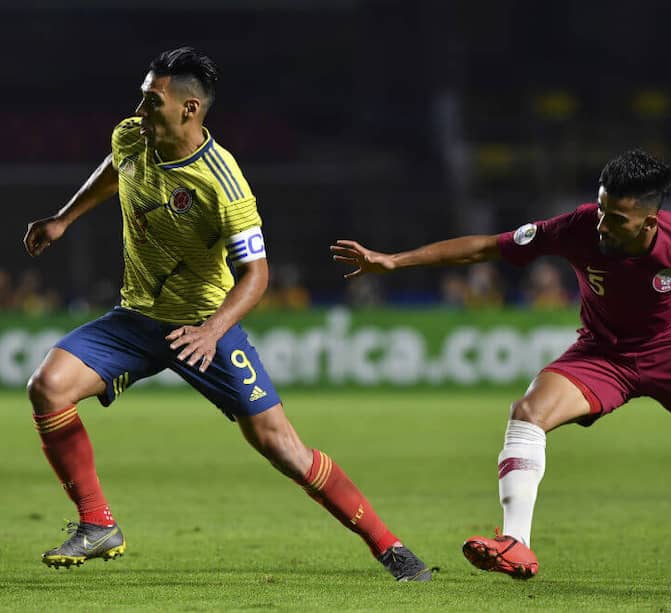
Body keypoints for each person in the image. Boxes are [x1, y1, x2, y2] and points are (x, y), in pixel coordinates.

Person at [22, 47, 430, 581]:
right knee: (47, 386)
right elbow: (116, 169)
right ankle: (97, 524)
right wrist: (64, 218)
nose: (139, 110)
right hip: (136, 317)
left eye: (152, 101)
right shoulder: (132, 136)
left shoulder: (224, 184)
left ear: (190, 109)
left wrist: (213, 331)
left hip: (203, 326)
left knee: (282, 447)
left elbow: (257, 275)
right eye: (142, 97)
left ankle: (391, 548)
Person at [331, 149, 671, 579]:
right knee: (527, 414)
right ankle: (515, 543)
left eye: (616, 219)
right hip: (603, 353)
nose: (601, 223)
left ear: (649, 222)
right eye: (601, 209)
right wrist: (394, 261)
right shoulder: (579, 227)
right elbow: (487, 247)